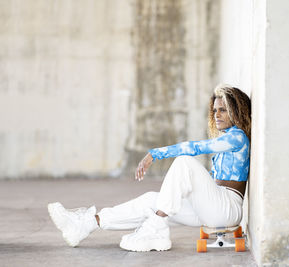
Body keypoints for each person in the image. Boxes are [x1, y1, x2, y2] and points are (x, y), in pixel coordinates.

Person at [48, 84, 251, 252]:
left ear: (236, 110)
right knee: (151, 200)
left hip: (227, 208)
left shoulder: (237, 137)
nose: (216, 114)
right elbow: (213, 178)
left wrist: (155, 153)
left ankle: (157, 228)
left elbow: (196, 147)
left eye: (222, 109)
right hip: (212, 207)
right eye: (215, 110)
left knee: (184, 161)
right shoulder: (226, 139)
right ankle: (85, 224)